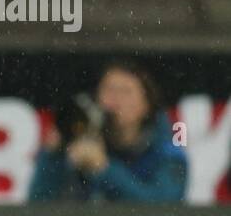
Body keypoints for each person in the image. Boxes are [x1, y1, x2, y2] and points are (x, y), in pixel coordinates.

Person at [30, 60, 187, 203]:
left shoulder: (168, 149)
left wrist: (104, 170)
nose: (115, 100)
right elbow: (38, 203)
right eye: (109, 90)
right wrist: (52, 156)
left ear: (147, 105)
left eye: (126, 91)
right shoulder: (83, 139)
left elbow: (164, 206)